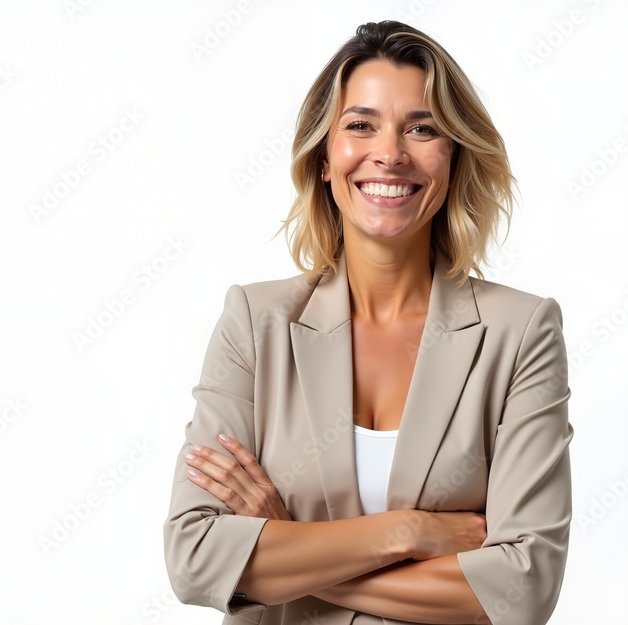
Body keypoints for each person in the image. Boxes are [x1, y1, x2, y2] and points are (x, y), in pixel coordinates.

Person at [163, 20, 574, 625]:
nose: (390, 152)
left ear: (454, 158)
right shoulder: (254, 322)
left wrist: (287, 544)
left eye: (422, 128)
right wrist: (409, 531)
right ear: (324, 159)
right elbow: (195, 559)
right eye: (360, 125)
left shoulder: (520, 332)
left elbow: (523, 588)